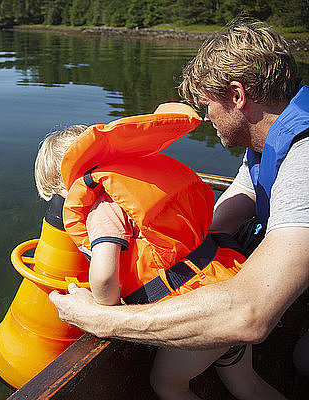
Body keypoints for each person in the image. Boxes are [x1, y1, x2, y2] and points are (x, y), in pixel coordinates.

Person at [49, 17, 309, 397]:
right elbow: (229, 209)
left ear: (237, 96)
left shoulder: (303, 160)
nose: (204, 118)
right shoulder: (263, 149)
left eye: (207, 104)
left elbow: (250, 314)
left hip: (253, 310)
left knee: (303, 364)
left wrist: (103, 318)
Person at [35, 103, 283, 399]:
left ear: (64, 187)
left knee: (167, 385)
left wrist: (98, 305)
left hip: (197, 311)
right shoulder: (134, 179)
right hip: (224, 283)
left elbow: (104, 277)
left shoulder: (100, 207)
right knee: (247, 385)